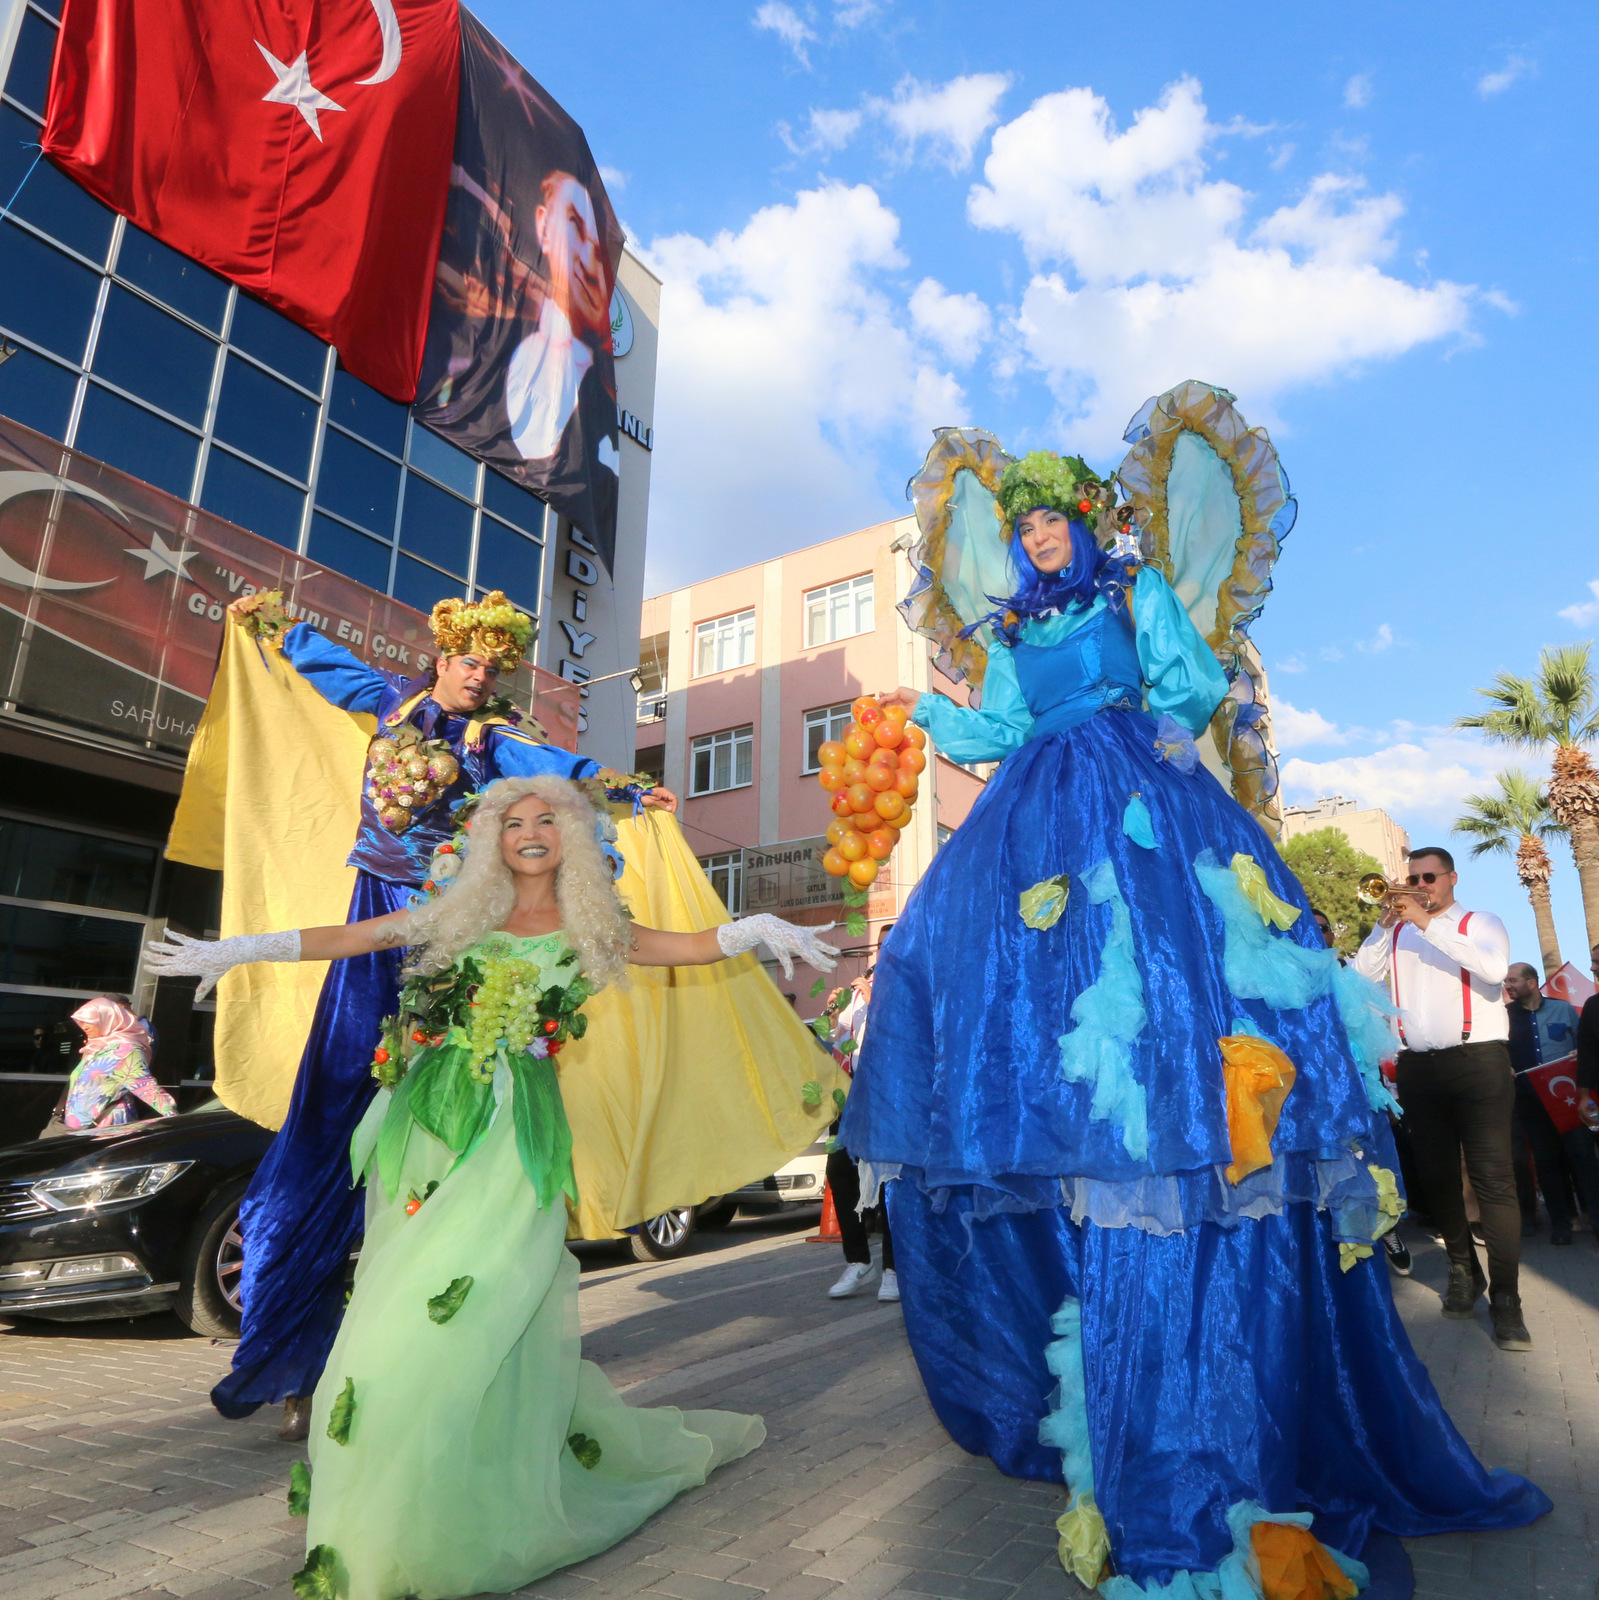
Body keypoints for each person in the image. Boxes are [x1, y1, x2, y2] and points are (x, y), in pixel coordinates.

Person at [842, 445, 1549, 1594]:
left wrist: (1164, 742)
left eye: (1051, 523)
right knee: (994, 979)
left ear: (1079, 520)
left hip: (1140, 784)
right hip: (1037, 815)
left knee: (1177, 984)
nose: (1038, 540)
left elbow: (1185, 683)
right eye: (1022, 532)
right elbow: (999, 733)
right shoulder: (1012, 639)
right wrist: (924, 708)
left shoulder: (1132, 591)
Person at [146, 776, 839, 1600]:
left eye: (549, 818)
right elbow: (355, 934)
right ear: (493, 840)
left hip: (517, 1137)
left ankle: (456, 1493)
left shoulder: (596, 927)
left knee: (484, 1302)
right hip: (426, 1128)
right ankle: (404, 1485)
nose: (532, 831)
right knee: (401, 1303)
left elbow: (686, 948)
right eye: (514, 821)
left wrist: (752, 929)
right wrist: (241, 949)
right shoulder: (459, 913)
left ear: (574, 837)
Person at [211, 588, 675, 1438]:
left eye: (493, 666)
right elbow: (328, 667)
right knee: (329, 1117)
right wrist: (271, 625)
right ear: (443, 657)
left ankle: (440, 1359)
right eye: (470, 660)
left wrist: (619, 787)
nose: (480, 674)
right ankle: (296, 1363)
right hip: (373, 912)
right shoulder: (394, 700)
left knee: (437, 1134)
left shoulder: (495, 737)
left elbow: (557, 769)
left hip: (440, 922)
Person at [1351, 849, 1528, 1347]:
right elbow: (1362, 976)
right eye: (1411, 878)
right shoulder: (1398, 929)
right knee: (1437, 1178)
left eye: (1428, 877)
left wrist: (1428, 923)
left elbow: (1493, 971)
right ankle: (1463, 1271)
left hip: (1479, 1062)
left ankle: (1509, 1300)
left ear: (1451, 878)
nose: (1417, 885)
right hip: (1418, 1067)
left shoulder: (1479, 921)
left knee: (1494, 1181)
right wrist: (1385, 925)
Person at [1506, 961, 1599, 1246]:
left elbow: (1586, 1045)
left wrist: (1577, 1051)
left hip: (1568, 1100)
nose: (1507, 986)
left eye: (1512, 981)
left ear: (1531, 983)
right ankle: (1560, 1224)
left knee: (1584, 1158)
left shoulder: (1564, 1009)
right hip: (1530, 1103)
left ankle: (1596, 1220)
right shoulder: (1503, 1016)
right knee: (1546, 1163)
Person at [824, 972, 897, 1303]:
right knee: (839, 1170)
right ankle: (858, 1260)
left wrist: (874, 1002)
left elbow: (905, 1036)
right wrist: (832, 1014)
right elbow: (833, 1040)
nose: (876, 962)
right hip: (851, 1088)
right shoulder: (856, 996)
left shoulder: (902, 986)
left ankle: (893, 1270)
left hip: (887, 1086)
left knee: (887, 1178)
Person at [46, 999, 174, 1135]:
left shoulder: (126, 1051)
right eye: (82, 1023)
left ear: (108, 1019)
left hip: (106, 1130)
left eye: (90, 1021)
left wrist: (175, 1122)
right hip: (75, 1131)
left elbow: (148, 1088)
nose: (85, 1027)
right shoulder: (94, 1048)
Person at [1578, 943, 1599, 1137]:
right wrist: (1584, 1096)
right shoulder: (1593, 1006)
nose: (1593, 968)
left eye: (1597, 962)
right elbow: (1588, 1054)